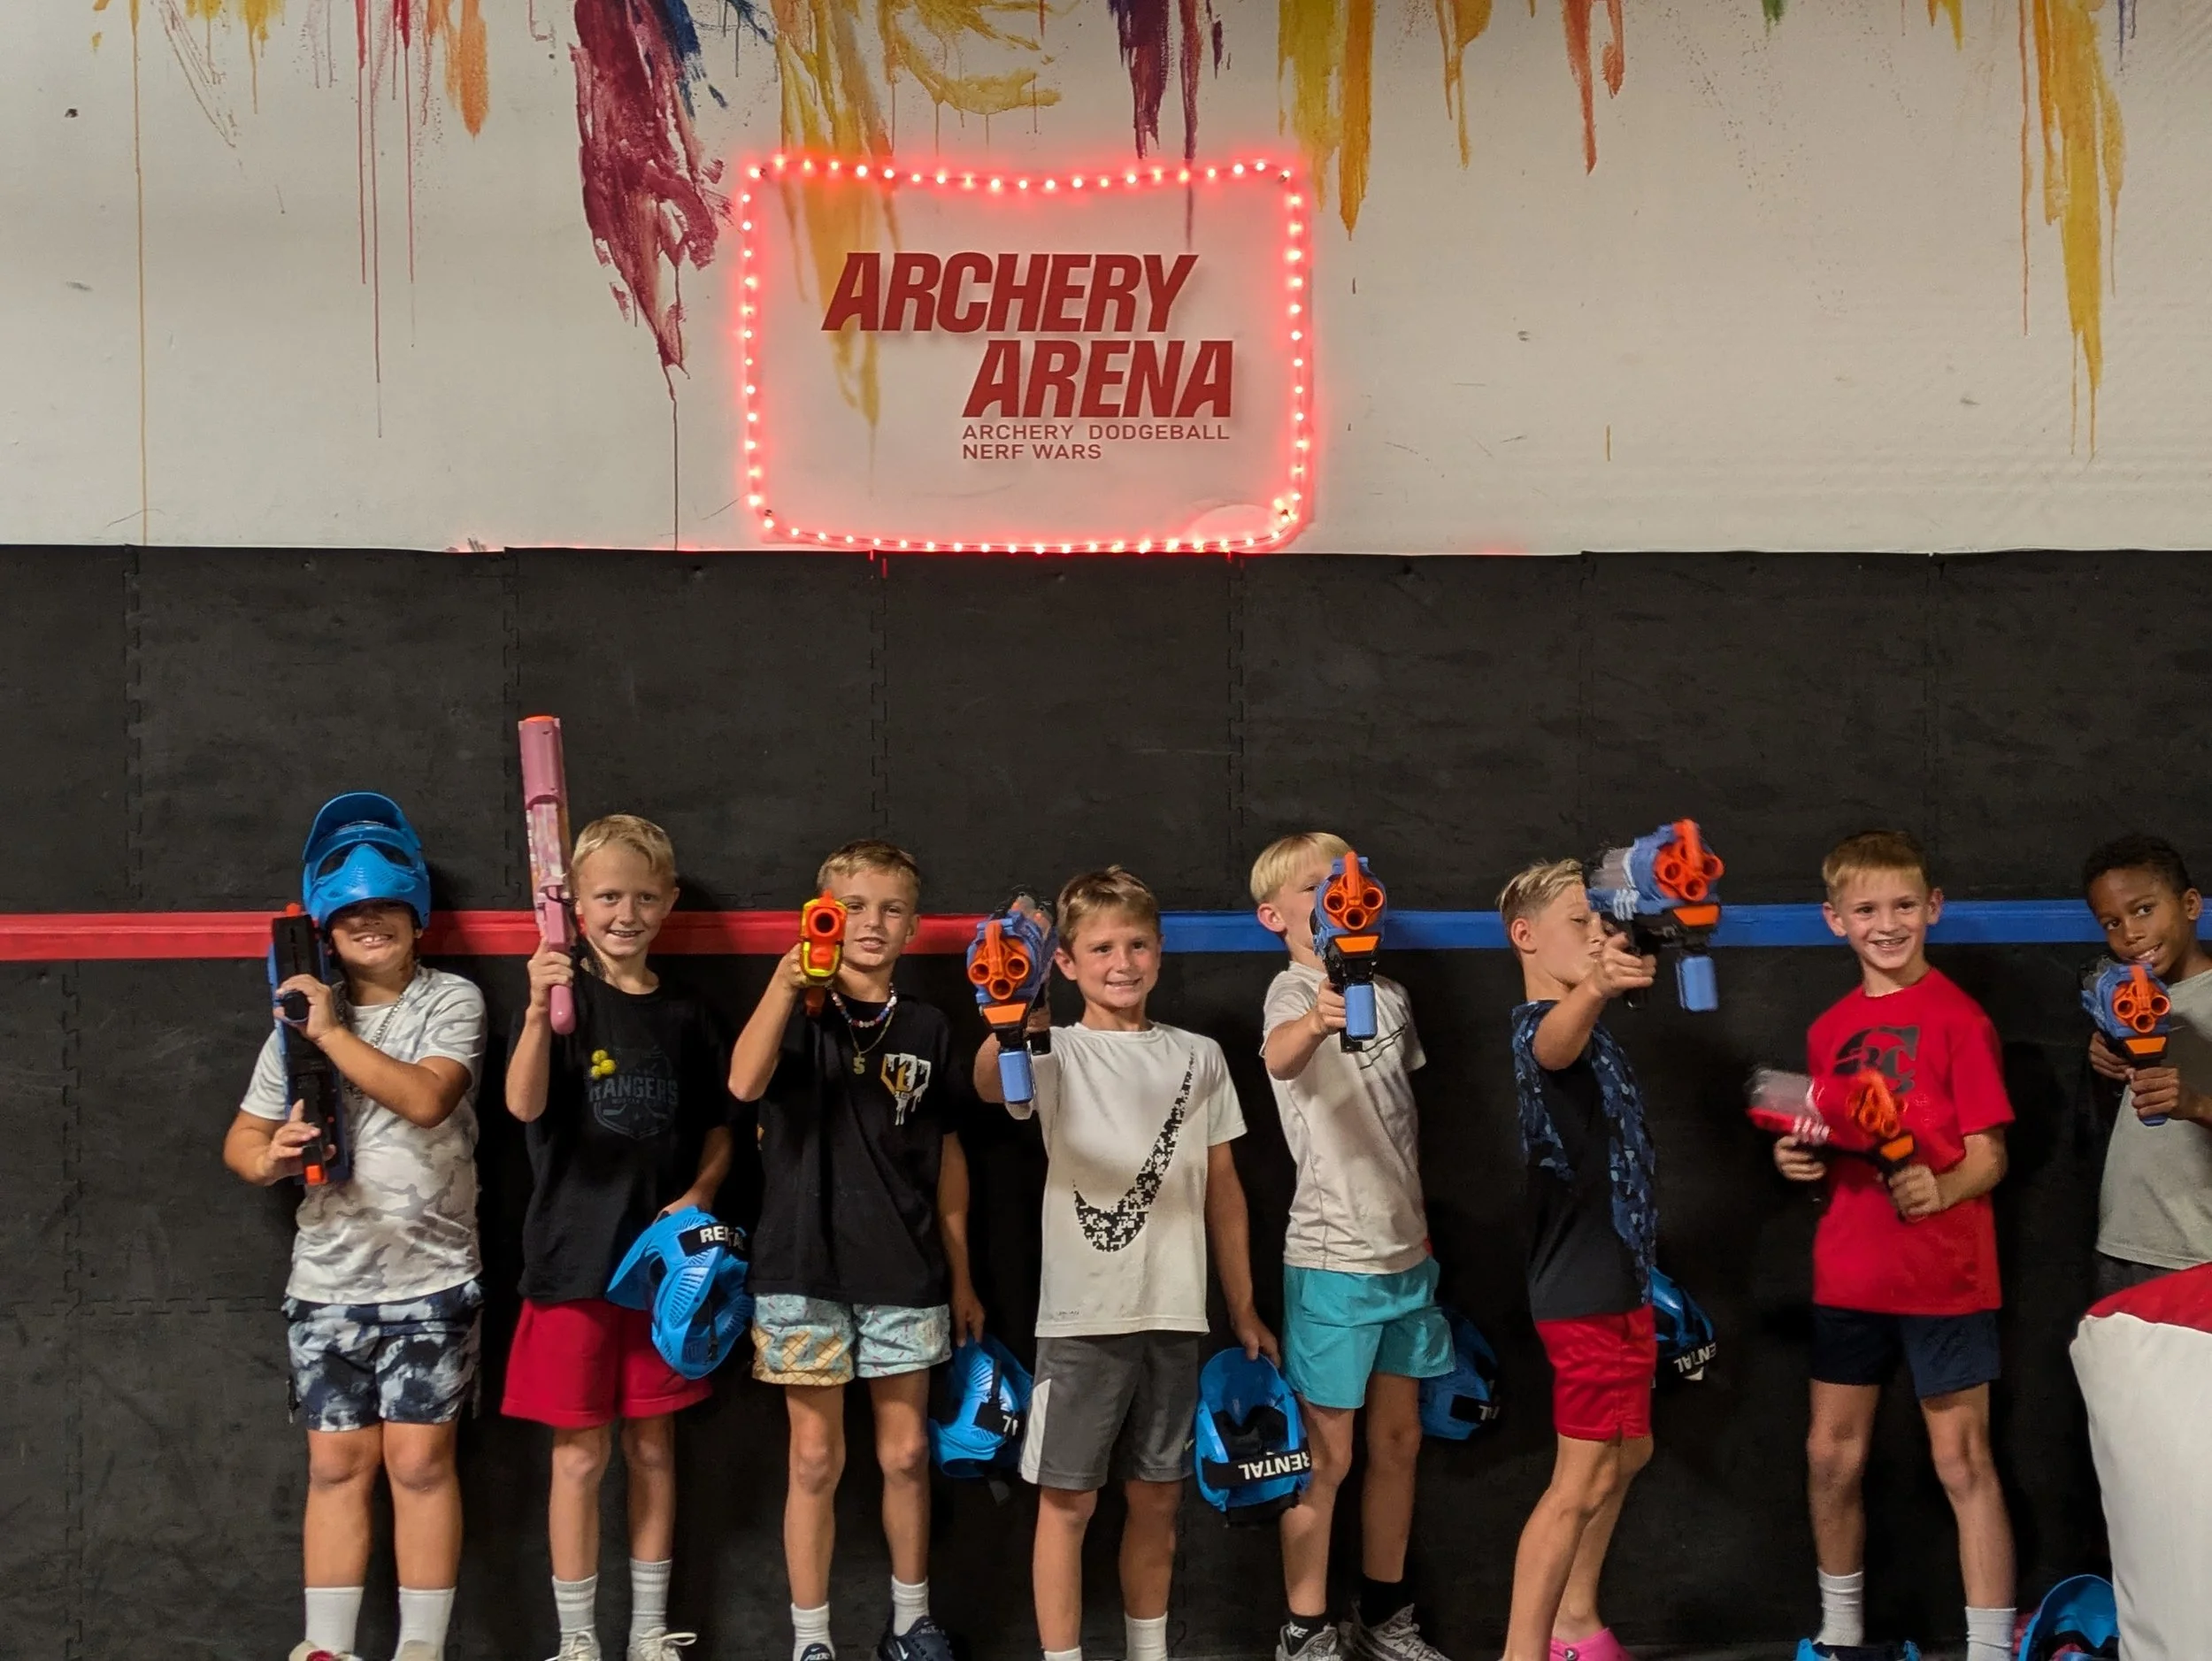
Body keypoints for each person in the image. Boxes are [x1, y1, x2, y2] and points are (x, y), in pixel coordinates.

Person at [973, 867, 1276, 1661]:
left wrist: (1241, 1305)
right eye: (1102, 946)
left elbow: (1225, 1192)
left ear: (1161, 950)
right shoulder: (1053, 1049)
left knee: (1160, 1501)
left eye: (1138, 943)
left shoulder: (1200, 1055)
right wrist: (1017, 1003)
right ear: (1066, 963)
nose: (1123, 960)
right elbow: (988, 1080)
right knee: (1067, 1504)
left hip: (1175, 1314)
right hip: (1082, 1318)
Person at [223, 792, 488, 1661]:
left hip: (431, 1279)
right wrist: (270, 1154)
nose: (370, 923)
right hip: (329, 1283)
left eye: (386, 911)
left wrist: (331, 1033)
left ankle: (420, 1646)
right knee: (338, 1466)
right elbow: (243, 1139)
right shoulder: (297, 1023)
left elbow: (426, 1096)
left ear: (417, 922)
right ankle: (326, 1645)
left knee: (418, 1461)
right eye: (352, 915)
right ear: (325, 932)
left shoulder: (451, 1002)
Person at [729, 839, 979, 1661]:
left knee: (907, 1452)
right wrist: (784, 982)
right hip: (801, 1265)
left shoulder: (931, 1026)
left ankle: (912, 1620)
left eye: (892, 907)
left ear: (913, 925)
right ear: (819, 913)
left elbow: (945, 1157)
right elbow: (743, 1085)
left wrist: (964, 1275)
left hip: (903, 1266)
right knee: (812, 1456)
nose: (872, 923)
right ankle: (811, 1638)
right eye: (853, 905)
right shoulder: (796, 1009)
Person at [1773, 830, 2015, 1661]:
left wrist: (1941, 1188)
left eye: (1904, 905)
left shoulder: (1961, 1019)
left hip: (1947, 1279)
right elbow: (1826, 1140)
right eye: (1868, 908)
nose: (1888, 923)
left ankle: (1988, 1649)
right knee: (1830, 1459)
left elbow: (1991, 1154)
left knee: (1962, 1461)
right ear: (1834, 918)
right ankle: (1840, 1637)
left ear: (1933, 909)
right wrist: (1797, 1157)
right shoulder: (1827, 1030)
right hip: (1851, 1275)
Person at [504, 815, 735, 1661]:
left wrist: (698, 1197)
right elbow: (524, 1106)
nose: (626, 912)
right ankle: (576, 1641)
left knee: (651, 1446)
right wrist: (536, 1008)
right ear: (577, 905)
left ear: (669, 902)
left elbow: (720, 1128)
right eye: (608, 895)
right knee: (579, 1456)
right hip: (572, 1266)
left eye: (644, 896)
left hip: (663, 1279)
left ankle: (646, 1633)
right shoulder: (561, 1003)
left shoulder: (687, 1014)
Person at [1249, 834, 1453, 1661]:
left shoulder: (1395, 997)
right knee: (1325, 1457)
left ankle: (1385, 1615)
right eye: (1314, 886)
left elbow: (1402, 1119)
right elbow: (1279, 1055)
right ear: (1274, 915)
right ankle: (1305, 1629)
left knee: (1398, 1443)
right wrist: (1321, 1010)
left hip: (1407, 1255)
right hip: (1332, 1260)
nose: (1337, 895)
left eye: (1347, 882)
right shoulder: (1289, 991)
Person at [1496, 859, 1661, 1661]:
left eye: (1599, 921)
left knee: (1630, 1451)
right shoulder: (1542, 1026)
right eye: (1576, 921)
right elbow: (1556, 1045)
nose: (1594, 934)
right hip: (1582, 1291)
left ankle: (1575, 1621)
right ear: (1526, 936)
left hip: (1622, 1282)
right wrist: (1595, 986)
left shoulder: (1594, 1031)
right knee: (1575, 1483)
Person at [2079, 834, 2212, 1297]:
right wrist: (2105, 1058)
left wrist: (2196, 1103)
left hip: (2196, 1254)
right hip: (2123, 1244)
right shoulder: (2125, 1002)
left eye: (2143, 910)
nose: (2130, 934)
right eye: (2111, 922)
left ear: (2191, 904)